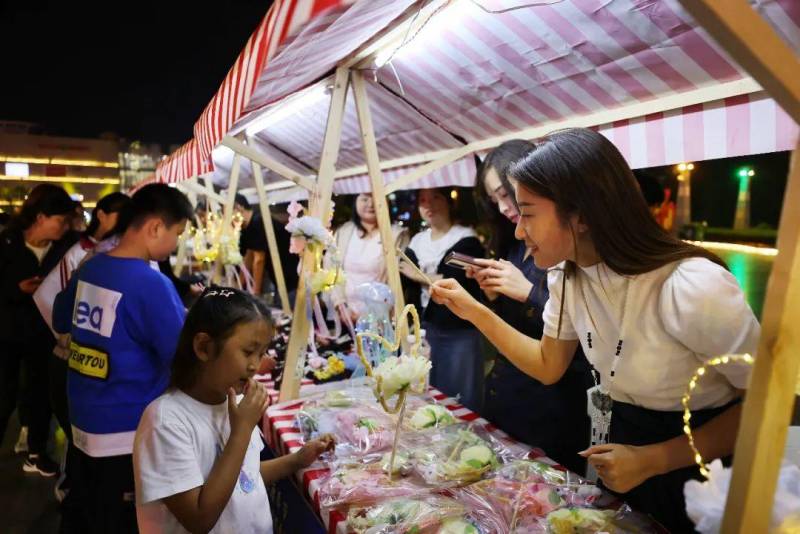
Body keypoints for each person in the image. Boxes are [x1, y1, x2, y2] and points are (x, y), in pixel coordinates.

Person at [430, 128, 759, 532]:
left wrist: (655, 459)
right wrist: (475, 312)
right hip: (623, 457)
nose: (517, 231)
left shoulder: (690, 287)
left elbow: (767, 405)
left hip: (702, 469)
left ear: (581, 215)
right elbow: (548, 364)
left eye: (528, 213)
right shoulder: (568, 278)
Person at [52, 183, 194, 533]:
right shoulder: (150, 283)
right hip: (127, 431)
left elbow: (59, 318)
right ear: (155, 227)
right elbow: (183, 356)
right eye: (177, 233)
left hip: (84, 420)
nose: (176, 244)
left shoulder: (91, 267)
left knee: (89, 511)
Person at [133, 288, 333, 533]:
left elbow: (244, 476)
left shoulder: (233, 402)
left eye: (261, 354)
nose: (255, 366)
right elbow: (199, 518)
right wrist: (242, 430)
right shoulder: (165, 421)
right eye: (248, 352)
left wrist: (297, 460)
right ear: (204, 347)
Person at [471, 140, 592, 475]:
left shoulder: (567, 254)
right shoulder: (514, 244)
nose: (504, 209)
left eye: (507, 196)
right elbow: (516, 329)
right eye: (494, 199)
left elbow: (581, 342)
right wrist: (494, 298)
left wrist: (527, 292)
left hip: (551, 408)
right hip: (508, 392)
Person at [32, 191, 130, 500]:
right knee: (79, 439)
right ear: (101, 214)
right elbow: (48, 298)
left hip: (87, 361)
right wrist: (67, 338)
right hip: (70, 359)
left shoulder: (102, 255)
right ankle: (71, 491)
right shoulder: (81, 254)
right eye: (120, 216)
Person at [0, 184, 74, 477]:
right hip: (7, 335)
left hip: (44, 333)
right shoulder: (7, 243)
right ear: (41, 216)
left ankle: (36, 452)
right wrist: (17, 290)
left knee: (40, 393)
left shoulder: (64, 247)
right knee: (4, 395)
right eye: (60, 219)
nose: (65, 226)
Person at [400, 188, 485, 411]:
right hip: (427, 327)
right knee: (430, 388)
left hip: (460, 327)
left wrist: (416, 275)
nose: (429, 205)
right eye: (423, 200)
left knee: (462, 394)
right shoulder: (417, 241)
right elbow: (402, 276)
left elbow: (460, 281)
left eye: (436, 197)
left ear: (449, 201)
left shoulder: (466, 237)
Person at [331, 193, 408, 320]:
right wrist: (340, 305)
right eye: (365, 199)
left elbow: (398, 281)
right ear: (355, 201)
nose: (371, 204)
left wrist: (372, 315)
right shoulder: (343, 232)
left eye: (376, 198)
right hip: (345, 315)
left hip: (381, 317)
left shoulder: (397, 235)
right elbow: (332, 269)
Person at [235, 194, 299, 305]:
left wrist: (256, 295)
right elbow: (248, 258)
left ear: (239, 207)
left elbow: (259, 260)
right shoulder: (247, 227)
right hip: (280, 280)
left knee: (290, 314)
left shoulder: (258, 221)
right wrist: (237, 287)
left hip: (290, 278)